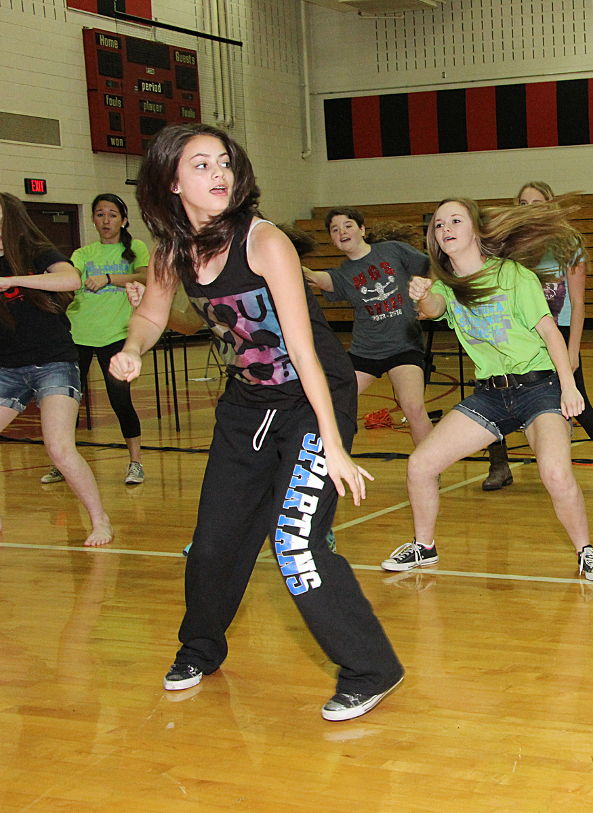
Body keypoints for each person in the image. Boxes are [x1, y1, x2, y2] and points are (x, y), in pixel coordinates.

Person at [111, 123, 404, 719]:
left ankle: (372, 668)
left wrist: (334, 442)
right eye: (201, 165)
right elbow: (151, 312)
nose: (219, 173)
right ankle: (199, 648)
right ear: (172, 181)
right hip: (247, 404)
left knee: (295, 541)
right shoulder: (173, 249)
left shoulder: (265, 241)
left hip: (312, 397)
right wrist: (133, 349)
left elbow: (305, 349)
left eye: (223, 162)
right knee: (215, 539)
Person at [380, 197, 593, 582]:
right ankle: (424, 547)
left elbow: (549, 331)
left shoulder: (513, 276)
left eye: (455, 220)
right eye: (439, 225)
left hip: (539, 388)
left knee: (555, 473)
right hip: (490, 394)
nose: (446, 229)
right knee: (420, 465)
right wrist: (422, 292)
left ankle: (586, 551)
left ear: (475, 230)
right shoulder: (446, 285)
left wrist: (570, 387)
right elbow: (435, 308)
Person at [482, 182, 593, 497]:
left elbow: (578, 303)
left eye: (536, 202)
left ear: (550, 206)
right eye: (522, 202)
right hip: (519, 335)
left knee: (578, 403)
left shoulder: (567, 243)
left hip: (559, 332)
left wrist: (573, 348)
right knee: (495, 396)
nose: (529, 208)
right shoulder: (508, 246)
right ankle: (499, 463)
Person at [0, 192, 113, 547]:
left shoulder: (36, 251)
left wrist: (14, 280)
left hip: (53, 361)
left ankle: (100, 520)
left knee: (60, 448)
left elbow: (72, 280)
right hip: (8, 367)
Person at [42, 194, 149, 487]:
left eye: (112, 215)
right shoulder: (81, 253)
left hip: (115, 335)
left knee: (120, 400)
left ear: (123, 220)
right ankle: (62, 463)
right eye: (100, 215)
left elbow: (145, 276)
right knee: (66, 403)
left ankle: (135, 462)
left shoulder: (135, 248)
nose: (106, 220)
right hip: (78, 335)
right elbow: (71, 278)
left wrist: (108, 278)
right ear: (92, 219)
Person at [303, 208, 433, 445]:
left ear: (362, 229)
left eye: (348, 225)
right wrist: (291, 266)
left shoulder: (392, 250)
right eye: (335, 229)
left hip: (404, 347)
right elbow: (316, 277)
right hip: (365, 352)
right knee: (330, 405)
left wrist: (429, 298)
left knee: (414, 408)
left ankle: (430, 469)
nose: (342, 231)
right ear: (332, 239)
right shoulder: (343, 274)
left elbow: (431, 269)